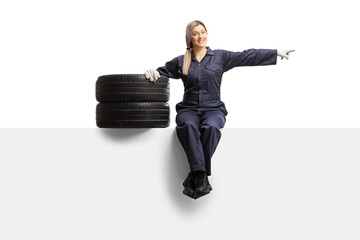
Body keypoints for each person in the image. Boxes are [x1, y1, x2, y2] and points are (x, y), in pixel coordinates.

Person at [145, 20, 294, 199]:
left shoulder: (220, 57)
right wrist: (152, 73)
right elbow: (161, 72)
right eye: (195, 33)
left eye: (203, 32)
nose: (201, 36)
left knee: (211, 128)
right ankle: (201, 176)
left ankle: (196, 175)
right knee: (187, 126)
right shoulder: (181, 61)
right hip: (189, 109)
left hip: (213, 109)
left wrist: (275, 53)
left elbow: (247, 56)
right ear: (189, 38)